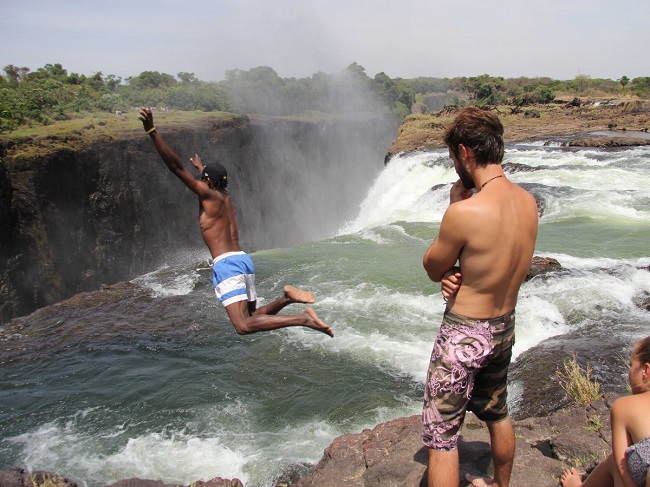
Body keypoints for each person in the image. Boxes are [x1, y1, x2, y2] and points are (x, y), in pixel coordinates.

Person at [138, 107, 333, 338]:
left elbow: (176, 167)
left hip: (226, 264)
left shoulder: (207, 194)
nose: (200, 181)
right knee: (252, 318)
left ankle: (303, 319)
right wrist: (203, 169)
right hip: (243, 260)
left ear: (207, 182)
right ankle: (286, 299)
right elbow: (213, 181)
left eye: (203, 179)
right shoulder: (227, 198)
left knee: (242, 326)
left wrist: (152, 131)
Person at [421, 107, 539, 487]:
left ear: (464, 152)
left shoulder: (465, 212)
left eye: (453, 157)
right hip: (504, 325)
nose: (454, 164)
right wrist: (459, 277)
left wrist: (455, 205)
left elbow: (432, 266)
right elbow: (493, 260)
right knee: (497, 412)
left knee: (442, 437)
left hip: (465, 334)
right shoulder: (528, 203)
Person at [560, 336, 650, 487]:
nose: (629, 372)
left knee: (619, 462)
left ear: (645, 370)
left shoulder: (623, 406)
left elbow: (623, 471)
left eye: (631, 365)